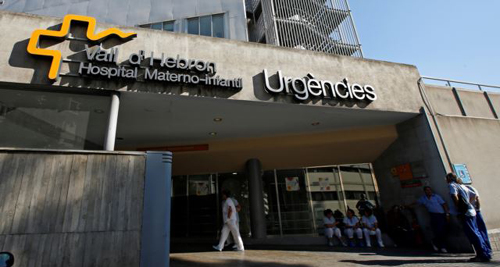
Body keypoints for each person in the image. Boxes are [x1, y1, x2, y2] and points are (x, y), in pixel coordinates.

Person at [446, 173, 491, 262]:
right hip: (471, 211)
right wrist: (469, 204)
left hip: (465, 213)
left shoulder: (452, 185)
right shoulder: (462, 186)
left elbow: (454, 196)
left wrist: (460, 208)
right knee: (476, 232)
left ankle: (482, 254)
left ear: (449, 179)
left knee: (473, 234)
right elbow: (474, 196)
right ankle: (484, 253)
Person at [416, 186, 450, 253]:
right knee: (437, 230)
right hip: (433, 215)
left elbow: (444, 204)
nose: (428, 191)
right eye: (427, 190)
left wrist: (447, 214)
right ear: (425, 191)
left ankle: (436, 242)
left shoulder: (436, 196)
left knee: (443, 230)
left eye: (429, 190)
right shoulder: (423, 198)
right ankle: (441, 246)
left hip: (441, 215)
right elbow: (416, 203)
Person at [466, 185, 491, 252]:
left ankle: (485, 249)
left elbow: (476, 197)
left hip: (474, 211)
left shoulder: (468, 187)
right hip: (475, 211)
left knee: (479, 230)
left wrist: (475, 207)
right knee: (480, 230)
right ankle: (487, 249)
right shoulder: (468, 187)